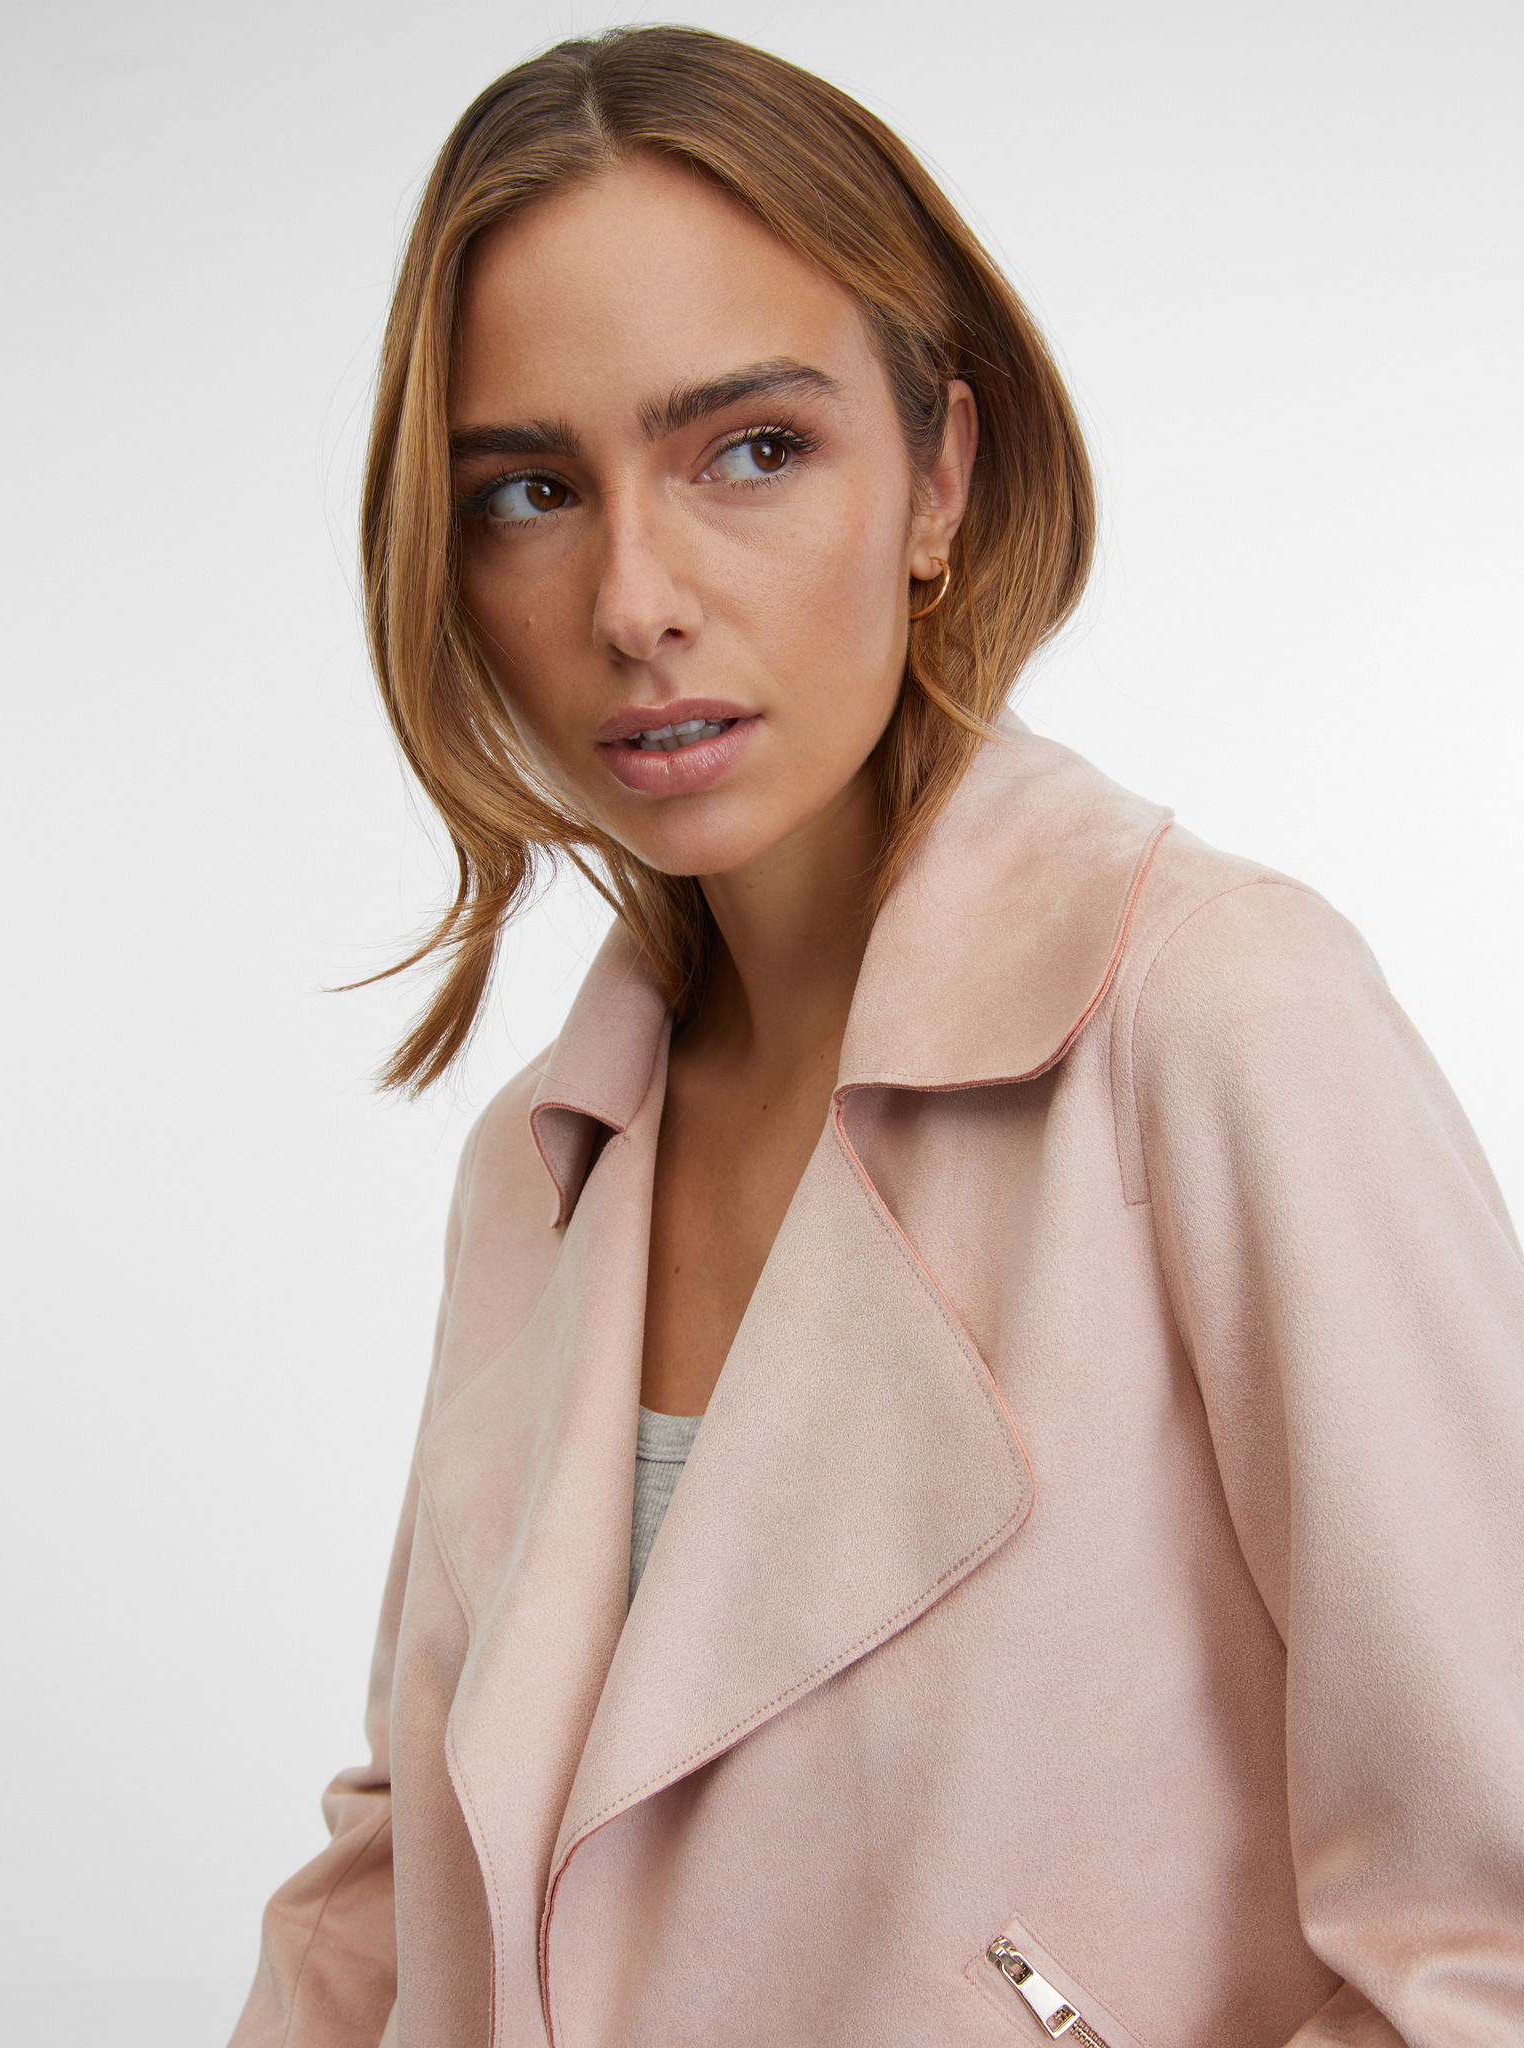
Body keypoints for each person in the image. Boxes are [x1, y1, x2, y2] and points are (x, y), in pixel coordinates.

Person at [230, 26, 1524, 2048]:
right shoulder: (538, 1165)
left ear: (941, 475)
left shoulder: (1214, 1016)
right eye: (531, 490)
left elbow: (1491, 1936)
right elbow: (401, 1892)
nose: (636, 599)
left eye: (751, 449)